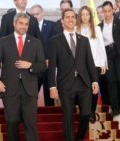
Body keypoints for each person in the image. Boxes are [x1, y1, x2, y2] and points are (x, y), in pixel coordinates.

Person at [0, 13, 47, 141]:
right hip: (9, 89)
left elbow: (43, 65)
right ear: (14, 24)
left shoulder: (36, 42)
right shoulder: (4, 41)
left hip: (30, 89)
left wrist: (30, 65)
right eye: (21, 23)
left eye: (26, 24)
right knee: (11, 122)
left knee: (30, 123)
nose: (23, 27)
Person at [48, 8, 99, 141]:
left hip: (84, 83)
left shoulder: (84, 40)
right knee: (68, 116)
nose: (70, 19)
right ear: (62, 21)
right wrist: (52, 86)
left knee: (87, 113)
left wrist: (95, 81)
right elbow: (52, 66)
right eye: (67, 17)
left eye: (72, 17)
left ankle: (79, 138)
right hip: (66, 84)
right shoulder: (55, 40)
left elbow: (90, 63)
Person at [98, 1, 120, 116]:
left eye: (109, 11)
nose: (107, 14)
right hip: (106, 55)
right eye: (105, 11)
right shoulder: (99, 27)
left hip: (119, 53)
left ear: (113, 10)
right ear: (102, 12)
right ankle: (114, 107)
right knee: (111, 80)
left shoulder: (119, 23)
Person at [76, 6, 108, 123]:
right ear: (80, 16)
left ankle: (91, 112)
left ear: (90, 16)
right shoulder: (76, 29)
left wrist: (103, 63)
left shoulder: (97, 29)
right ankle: (84, 111)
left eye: (87, 14)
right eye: (83, 14)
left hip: (95, 64)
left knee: (94, 89)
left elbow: (101, 47)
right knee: (83, 89)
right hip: (81, 65)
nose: (85, 17)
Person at [31, 4, 54, 106]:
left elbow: (55, 45)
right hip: (34, 65)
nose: (35, 16)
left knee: (48, 93)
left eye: (37, 13)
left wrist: (50, 59)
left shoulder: (51, 25)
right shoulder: (28, 27)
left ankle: (50, 115)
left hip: (48, 64)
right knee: (31, 93)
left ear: (42, 13)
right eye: (33, 14)